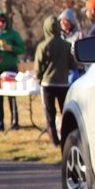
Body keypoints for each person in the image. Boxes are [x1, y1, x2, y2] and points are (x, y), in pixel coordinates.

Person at [34, 14, 75, 147]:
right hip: (63, 83)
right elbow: (72, 64)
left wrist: (39, 78)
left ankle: (54, 140)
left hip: (48, 84)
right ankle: (66, 137)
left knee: (50, 113)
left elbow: (38, 67)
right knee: (64, 112)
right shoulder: (66, 45)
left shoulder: (43, 46)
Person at [0, 10, 25, 131]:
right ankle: (0, 124)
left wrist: (11, 48)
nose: (1, 23)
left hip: (10, 68)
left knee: (12, 96)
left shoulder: (13, 34)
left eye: (4, 21)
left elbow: (22, 48)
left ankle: (15, 122)